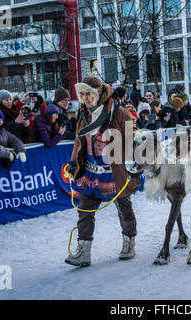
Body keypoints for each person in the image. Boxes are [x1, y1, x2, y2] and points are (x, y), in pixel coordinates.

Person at [64, 76, 143, 267]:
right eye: (82, 95)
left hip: (114, 172)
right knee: (84, 211)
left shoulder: (120, 112)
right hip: (90, 172)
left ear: (98, 93)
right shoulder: (83, 114)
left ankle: (129, 243)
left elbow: (133, 137)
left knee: (124, 209)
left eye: (88, 94)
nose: (85, 98)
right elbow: (78, 142)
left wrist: (133, 157)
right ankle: (83, 252)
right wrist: (74, 163)